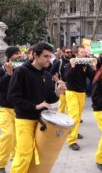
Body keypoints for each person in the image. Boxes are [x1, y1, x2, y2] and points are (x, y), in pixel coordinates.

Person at [7, 42, 63, 173]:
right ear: (36, 56)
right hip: (24, 120)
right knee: (24, 154)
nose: (49, 59)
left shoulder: (47, 75)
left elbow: (49, 98)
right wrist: (35, 106)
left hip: (41, 121)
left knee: (40, 156)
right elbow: (12, 97)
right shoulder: (21, 71)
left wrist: (58, 93)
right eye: (45, 56)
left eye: (50, 56)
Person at [65, 45, 96, 151]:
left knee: (78, 116)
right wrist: (73, 67)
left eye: (84, 52)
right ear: (77, 53)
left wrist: (94, 67)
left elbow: (92, 77)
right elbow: (67, 77)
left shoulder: (85, 64)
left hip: (81, 92)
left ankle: (74, 132)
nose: (84, 54)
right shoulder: (71, 62)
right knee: (74, 115)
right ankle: (71, 140)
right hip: (71, 92)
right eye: (82, 52)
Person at [0, 47, 22, 173]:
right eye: (16, 54)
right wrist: (8, 74)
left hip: (19, 109)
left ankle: (15, 158)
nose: (19, 56)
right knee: (8, 135)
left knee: (18, 136)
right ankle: (1, 164)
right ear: (9, 56)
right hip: (4, 108)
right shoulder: (2, 69)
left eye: (20, 53)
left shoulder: (22, 69)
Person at [50, 46, 72, 114]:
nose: (69, 53)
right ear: (63, 53)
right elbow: (51, 73)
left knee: (71, 103)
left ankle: (72, 117)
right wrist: (58, 81)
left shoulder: (74, 61)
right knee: (62, 103)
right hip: (63, 85)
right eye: (67, 52)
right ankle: (60, 118)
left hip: (72, 85)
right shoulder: (59, 62)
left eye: (70, 52)